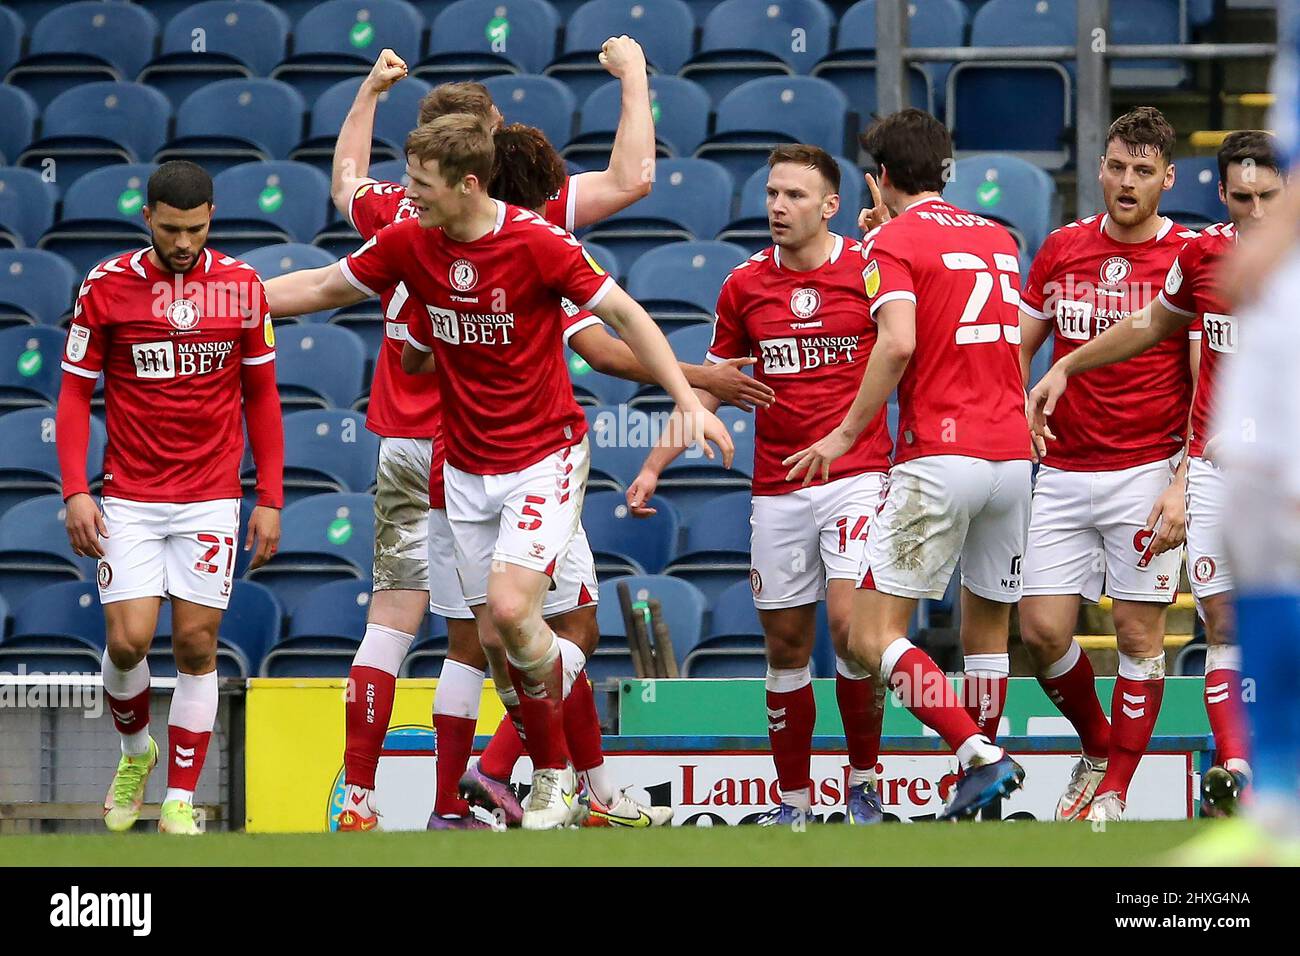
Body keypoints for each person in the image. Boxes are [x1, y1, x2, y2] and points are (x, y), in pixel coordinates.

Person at [263, 114, 731, 829]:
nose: (406, 196)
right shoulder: (412, 243)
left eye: (420, 185)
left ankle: (555, 778)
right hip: (464, 466)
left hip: (543, 455)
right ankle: (558, 778)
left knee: (517, 614)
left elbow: (625, 318)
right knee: (495, 642)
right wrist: (229, 299)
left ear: (468, 183)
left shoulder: (538, 243)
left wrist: (684, 400)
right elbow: (324, 286)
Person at [320, 41, 662, 830]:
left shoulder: (394, 212)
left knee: (401, 624)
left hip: (404, 444)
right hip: (499, 444)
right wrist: (636, 76)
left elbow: (344, 181)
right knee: (544, 628)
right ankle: (511, 776)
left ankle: (373, 800)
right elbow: (634, 179)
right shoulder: (526, 214)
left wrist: (368, 92)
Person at [413, 124, 771, 829]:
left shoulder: (458, 249)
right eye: (550, 191)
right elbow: (606, 350)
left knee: (546, 629)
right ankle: (490, 772)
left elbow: (412, 356)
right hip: (514, 463)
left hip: (478, 461)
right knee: (535, 631)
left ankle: (595, 796)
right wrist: (698, 381)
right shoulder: (528, 251)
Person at [626, 144, 893, 826]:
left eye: (795, 196)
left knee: (850, 627)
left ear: (831, 206)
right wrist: (657, 463)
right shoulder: (743, 285)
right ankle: (794, 802)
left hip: (858, 476)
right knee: (786, 647)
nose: (778, 206)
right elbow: (713, 388)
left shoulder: (869, 271)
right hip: (776, 488)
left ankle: (864, 784)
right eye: (773, 193)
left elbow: (904, 355)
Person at [1029, 130, 1287, 822]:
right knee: (1224, 623)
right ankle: (1237, 770)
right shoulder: (1203, 257)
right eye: (1241, 197)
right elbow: (1148, 323)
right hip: (1217, 472)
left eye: (1268, 197)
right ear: (1223, 194)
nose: (1254, 212)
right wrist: (1067, 365)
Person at [784, 109, 1031, 820]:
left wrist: (843, 434)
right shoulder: (997, 236)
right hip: (1010, 454)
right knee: (986, 633)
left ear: (879, 179)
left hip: (942, 454)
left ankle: (977, 756)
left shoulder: (889, 239)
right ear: (946, 172)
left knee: (868, 637)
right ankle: (984, 786)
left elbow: (895, 344)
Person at [56, 160, 283, 835]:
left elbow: (262, 397)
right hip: (128, 495)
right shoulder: (106, 287)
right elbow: (73, 397)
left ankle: (181, 799)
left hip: (212, 495)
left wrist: (268, 495)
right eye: (172, 228)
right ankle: (136, 753)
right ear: (147, 216)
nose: (184, 242)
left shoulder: (241, 288)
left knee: (195, 644)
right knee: (127, 643)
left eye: (197, 228)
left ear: (211, 218)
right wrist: (75, 491)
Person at [1016, 107, 1202, 822]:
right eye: (1117, 167)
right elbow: (1019, 348)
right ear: (1100, 167)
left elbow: (1203, 372)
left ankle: (1116, 793)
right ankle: (1097, 746)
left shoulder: (1189, 255)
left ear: (1167, 179)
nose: (1127, 183)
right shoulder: (1061, 247)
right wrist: (1017, 411)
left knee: (1136, 635)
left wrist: (1184, 480)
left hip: (1147, 469)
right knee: (1042, 631)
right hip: (1062, 468)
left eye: (1143, 172)